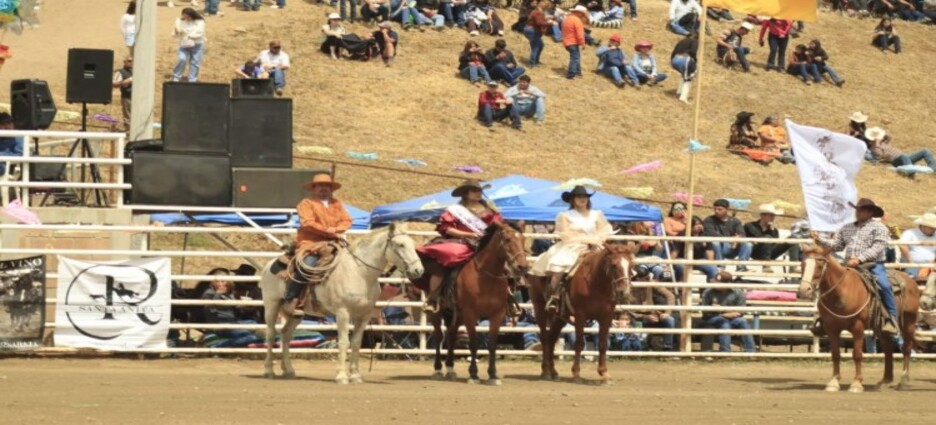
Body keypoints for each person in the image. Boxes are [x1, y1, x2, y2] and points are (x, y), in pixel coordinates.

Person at [811, 198, 898, 335]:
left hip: (873, 264)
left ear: (870, 212)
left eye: (861, 210)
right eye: (857, 209)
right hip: (850, 264)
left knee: (884, 285)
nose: (857, 212)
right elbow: (837, 245)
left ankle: (892, 320)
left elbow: (878, 247)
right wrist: (819, 238)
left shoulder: (879, 228)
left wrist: (859, 258)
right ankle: (824, 318)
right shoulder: (847, 228)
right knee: (829, 283)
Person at [417, 179, 503, 312]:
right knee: (448, 257)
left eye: (479, 191)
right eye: (474, 191)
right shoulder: (455, 210)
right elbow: (448, 229)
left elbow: (498, 226)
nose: (478, 193)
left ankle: (508, 298)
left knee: (508, 259)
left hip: (485, 244)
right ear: (466, 193)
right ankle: (433, 299)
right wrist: (468, 235)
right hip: (461, 242)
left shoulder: (490, 210)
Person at [530, 185, 614, 313]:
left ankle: (616, 293)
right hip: (573, 245)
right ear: (573, 200)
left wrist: (598, 240)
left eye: (585, 197)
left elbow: (604, 230)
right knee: (559, 266)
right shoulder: (565, 215)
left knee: (614, 263)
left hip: (596, 244)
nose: (583, 199)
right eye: (579, 197)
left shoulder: (596, 214)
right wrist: (586, 241)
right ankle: (554, 296)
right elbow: (565, 234)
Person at [283, 174, 353, 316]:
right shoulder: (306, 203)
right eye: (320, 186)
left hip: (333, 241)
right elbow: (307, 223)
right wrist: (327, 230)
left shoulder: (337, 203)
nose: (324, 189)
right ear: (314, 188)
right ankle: (292, 298)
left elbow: (347, 220)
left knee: (353, 262)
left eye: (327, 186)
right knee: (308, 263)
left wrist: (336, 230)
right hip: (310, 241)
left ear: (331, 189)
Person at [201, 269, 262, 348]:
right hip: (220, 325)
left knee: (253, 323)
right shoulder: (209, 293)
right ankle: (219, 347)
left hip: (232, 322)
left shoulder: (229, 294)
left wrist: (243, 303)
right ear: (212, 282)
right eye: (217, 281)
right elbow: (210, 310)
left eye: (223, 281)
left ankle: (243, 341)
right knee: (250, 337)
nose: (220, 284)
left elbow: (236, 310)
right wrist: (218, 294)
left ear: (227, 282)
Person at [700, 279, 757, 353]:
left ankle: (750, 351)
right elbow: (705, 312)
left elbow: (741, 311)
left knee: (743, 321)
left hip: (733, 317)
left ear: (728, 283)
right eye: (716, 282)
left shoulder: (738, 291)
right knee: (724, 323)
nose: (716, 284)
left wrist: (721, 309)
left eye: (719, 283)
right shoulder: (708, 291)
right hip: (713, 317)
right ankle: (725, 351)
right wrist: (723, 314)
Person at [743, 204, 801, 273]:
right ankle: (766, 266)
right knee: (767, 237)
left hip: (769, 253)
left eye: (773, 216)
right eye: (770, 215)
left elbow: (774, 244)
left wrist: (772, 231)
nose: (773, 217)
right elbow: (743, 239)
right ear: (762, 215)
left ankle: (793, 266)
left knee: (792, 238)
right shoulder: (749, 226)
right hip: (755, 252)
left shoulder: (774, 230)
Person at [703, 198, 753, 272]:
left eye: (719, 209)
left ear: (727, 209)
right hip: (720, 246)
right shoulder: (709, 220)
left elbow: (742, 234)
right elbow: (710, 233)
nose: (716, 211)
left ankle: (741, 266)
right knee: (715, 242)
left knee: (748, 244)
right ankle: (720, 266)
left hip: (734, 246)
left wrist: (737, 238)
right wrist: (730, 239)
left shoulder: (735, 221)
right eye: (715, 209)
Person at [865, 127, 936, 170]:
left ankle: (933, 168)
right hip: (896, 160)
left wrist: (881, 135)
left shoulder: (882, 143)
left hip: (904, 157)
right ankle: (910, 172)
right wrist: (877, 142)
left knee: (925, 151)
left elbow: (889, 137)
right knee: (903, 156)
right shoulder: (874, 147)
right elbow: (879, 156)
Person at [672, 215, 719, 282]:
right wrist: (669, 263)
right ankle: (682, 286)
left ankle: (709, 289)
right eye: (696, 224)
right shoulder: (682, 234)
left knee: (712, 268)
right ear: (690, 226)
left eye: (700, 224)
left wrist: (711, 262)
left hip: (699, 260)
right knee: (680, 266)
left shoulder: (705, 235)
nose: (699, 226)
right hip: (682, 259)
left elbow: (709, 251)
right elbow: (675, 251)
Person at [171, 8, 207, 82]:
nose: (186, 18)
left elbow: (199, 32)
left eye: (188, 16)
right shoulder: (181, 22)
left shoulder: (199, 22)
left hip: (197, 44)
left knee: (195, 62)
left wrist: (188, 36)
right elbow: (175, 33)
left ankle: (192, 79)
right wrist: (176, 31)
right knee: (182, 59)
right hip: (184, 45)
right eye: (184, 16)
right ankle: (176, 76)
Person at [898, 213, 936, 280]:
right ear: (924, 226)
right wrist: (910, 261)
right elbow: (902, 245)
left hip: (931, 266)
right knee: (912, 280)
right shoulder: (910, 233)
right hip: (913, 265)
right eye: (932, 227)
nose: (934, 229)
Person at [524, 1, 554, 67]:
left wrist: (546, 19)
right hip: (532, 30)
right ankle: (532, 63)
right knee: (536, 47)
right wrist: (550, 23)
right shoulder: (538, 12)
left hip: (532, 30)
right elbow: (539, 23)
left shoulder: (537, 11)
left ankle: (535, 61)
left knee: (540, 45)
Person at [671, 30, 698, 103]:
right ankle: (683, 97)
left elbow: (673, 52)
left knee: (684, 76)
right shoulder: (694, 41)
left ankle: (679, 92)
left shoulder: (681, 41)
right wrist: (695, 61)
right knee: (689, 78)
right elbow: (693, 52)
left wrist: (672, 62)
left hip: (675, 59)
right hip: (684, 59)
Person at [561, 5, 588, 80]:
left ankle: (578, 72)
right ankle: (571, 74)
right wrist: (582, 43)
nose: (583, 16)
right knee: (575, 58)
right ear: (579, 13)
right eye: (583, 14)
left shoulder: (567, 19)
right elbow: (580, 34)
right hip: (573, 42)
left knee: (576, 57)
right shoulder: (577, 20)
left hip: (566, 42)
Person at [111, 58, 133, 132]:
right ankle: (128, 131)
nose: (131, 63)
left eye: (132, 61)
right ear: (124, 62)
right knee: (128, 116)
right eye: (129, 61)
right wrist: (125, 82)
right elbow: (114, 84)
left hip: (137, 97)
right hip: (127, 97)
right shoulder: (121, 72)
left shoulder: (136, 71)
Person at [0, 113, 24, 177]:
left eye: (9, 123)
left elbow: (19, 154)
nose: (7, 126)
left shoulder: (18, 137)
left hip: (8, 166)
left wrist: (1, 155)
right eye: (2, 124)